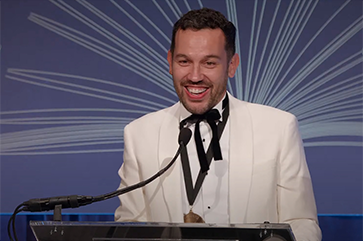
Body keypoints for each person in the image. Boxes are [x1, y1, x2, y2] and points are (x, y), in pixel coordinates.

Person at [115, 8, 321, 241]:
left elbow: (302, 223)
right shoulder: (139, 134)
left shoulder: (279, 128)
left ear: (232, 65)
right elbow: (130, 227)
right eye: (184, 61)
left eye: (209, 63)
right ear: (170, 62)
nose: (194, 76)